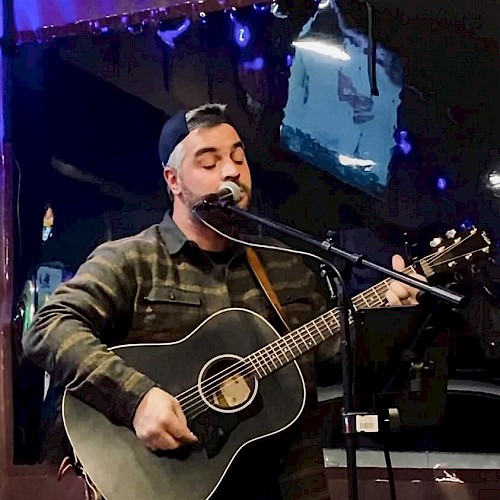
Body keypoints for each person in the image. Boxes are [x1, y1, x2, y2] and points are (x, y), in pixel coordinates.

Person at [23, 103, 422, 499]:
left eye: (237, 158)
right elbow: (48, 327)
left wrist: (386, 315)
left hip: (288, 486)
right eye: (209, 162)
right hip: (174, 483)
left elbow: (339, 354)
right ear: (174, 181)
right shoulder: (133, 260)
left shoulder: (283, 264)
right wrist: (137, 398)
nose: (232, 171)